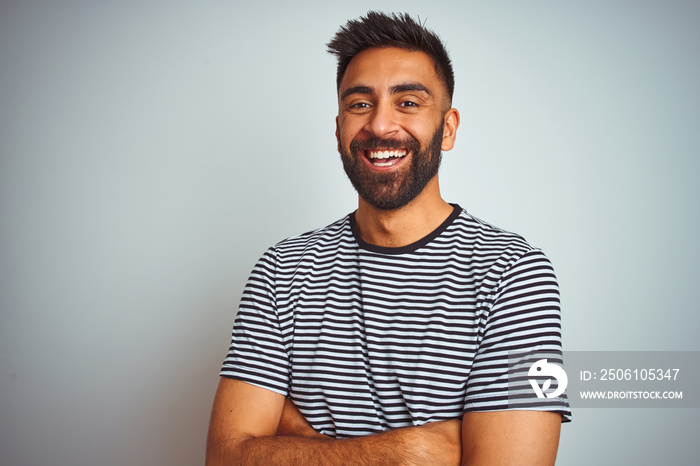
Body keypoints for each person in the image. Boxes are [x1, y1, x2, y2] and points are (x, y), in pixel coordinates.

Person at [206, 11, 570, 465]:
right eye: (360, 104)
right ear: (338, 128)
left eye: (409, 103)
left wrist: (299, 444)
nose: (380, 126)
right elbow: (226, 457)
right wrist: (405, 452)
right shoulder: (283, 269)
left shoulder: (514, 274)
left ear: (449, 127)